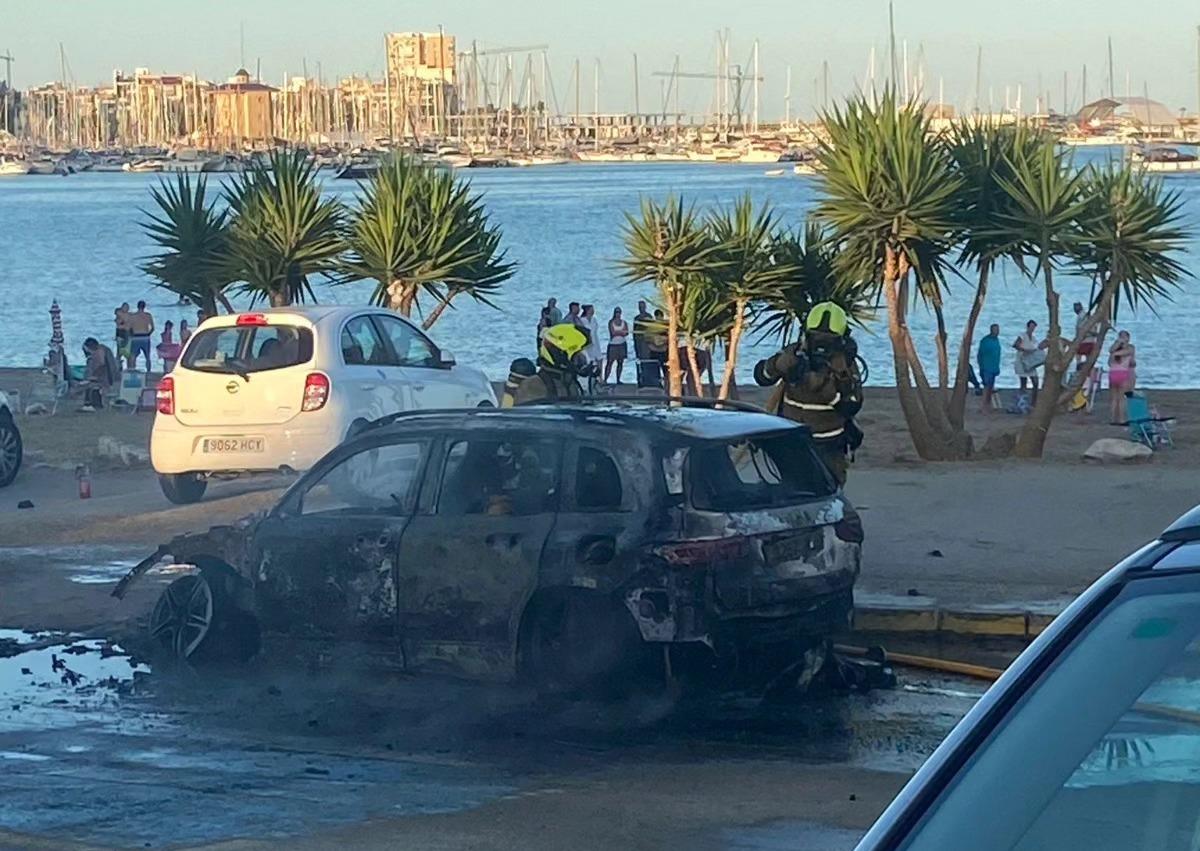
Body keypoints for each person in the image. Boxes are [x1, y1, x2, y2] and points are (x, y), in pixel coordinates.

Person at [753, 302, 864, 485]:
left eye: (828, 341)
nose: (821, 347)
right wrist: (778, 364)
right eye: (816, 338)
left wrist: (825, 388)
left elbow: (851, 406)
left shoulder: (844, 364)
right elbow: (762, 377)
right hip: (791, 442)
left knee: (827, 498)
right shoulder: (794, 352)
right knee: (792, 493)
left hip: (828, 447)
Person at [513, 323, 591, 405]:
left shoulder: (570, 382)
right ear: (560, 355)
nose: (582, 360)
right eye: (577, 356)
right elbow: (525, 416)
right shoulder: (532, 385)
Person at [1013, 319, 1047, 407]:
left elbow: (1037, 349)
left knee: (1035, 382)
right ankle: (1021, 402)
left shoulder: (1034, 338)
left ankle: (1033, 403)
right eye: (1031, 327)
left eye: (1034, 327)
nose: (1032, 329)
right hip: (1021, 360)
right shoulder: (1022, 335)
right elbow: (1015, 345)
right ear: (1028, 327)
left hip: (1030, 363)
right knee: (1023, 383)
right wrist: (1025, 350)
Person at [80, 337, 119, 412]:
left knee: (88, 384)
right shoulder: (104, 349)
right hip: (111, 377)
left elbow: (101, 366)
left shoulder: (99, 352)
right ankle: (95, 403)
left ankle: (88, 404)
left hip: (106, 379)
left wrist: (93, 376)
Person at [1108, 330, 1137, 424]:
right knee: (1121, 398)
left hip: (1113, 373)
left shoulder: (1113, 351)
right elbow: (1133, 363)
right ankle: (1121, 419)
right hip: (1123, 373)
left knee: (1114, 398)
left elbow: (1109, 362)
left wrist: (1115, 351)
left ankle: (1112, 419)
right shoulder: (1130, 349)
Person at [977, 323, 1002, 413]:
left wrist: (997, 367)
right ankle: (983, 407)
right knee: (986, 387)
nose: (997, 332)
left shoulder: (996, 340)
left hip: (994, 367)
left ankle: (988, 405)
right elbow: (980, 355)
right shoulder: (985, 341)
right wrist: (981, 367)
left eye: (998, 330)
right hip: (986, 367)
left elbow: (997, 354)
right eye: (995, 330)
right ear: (991, 330)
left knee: (990, 388)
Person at [128, 300, 155, 373]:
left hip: (136, 336)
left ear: (137, 306)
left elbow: (129, 328)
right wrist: (149, 334)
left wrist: (131, 335)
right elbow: (152, 328)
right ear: (144, 306)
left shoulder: (133, 316)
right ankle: (149, 371)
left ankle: (132, 370)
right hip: (145, 337)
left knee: (133, 355)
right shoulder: (148, 315)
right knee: (147, 357)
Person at [605, 307, 630, 384]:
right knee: (610, 362)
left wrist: (618, 332)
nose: (618, 314)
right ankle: (605, 379)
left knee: (620, 362)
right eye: (616, 312)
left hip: (622, 344)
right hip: (613, 345)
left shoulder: (624, 322)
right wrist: (621, 332)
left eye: (619, 312)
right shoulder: (611, 322)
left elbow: (626, 332)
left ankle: (618, 379)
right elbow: (612, 333)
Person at [1074, 301, 1098, 368]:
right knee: (1088, 358)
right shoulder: (1086, 315)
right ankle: (1087, 370)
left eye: (1076, 307)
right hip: (1090, 341)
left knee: (1078, 357)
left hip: (1084, 341)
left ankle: (1079, 369)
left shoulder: (1082, 316)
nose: (1075, 309)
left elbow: (1082, 329)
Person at [580, 304, 603, 377]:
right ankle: (591, 376)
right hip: (587, 343)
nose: (593, 311)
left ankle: (600, 377)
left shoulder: (594, 319)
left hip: (595, 341)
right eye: (591, 310)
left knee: (599, 358)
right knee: (590, 360)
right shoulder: (582, 320)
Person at [114, 303, 131, 368]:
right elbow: (119, 324)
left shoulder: (128, 315)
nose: (126, 309)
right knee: (119, 352)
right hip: (121, 334)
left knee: (128, 352)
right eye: (125, 307)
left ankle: (128, 367)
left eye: (127, 307)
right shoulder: (119, 314)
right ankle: (118, 366)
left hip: (127, 334)